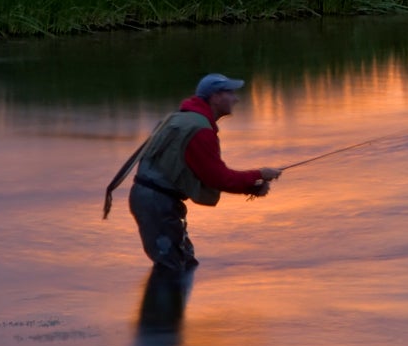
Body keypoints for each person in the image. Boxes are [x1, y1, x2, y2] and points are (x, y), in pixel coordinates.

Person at [105, 74, 284, 270]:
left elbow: (201, 172)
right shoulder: (199, 130)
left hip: (154, 200)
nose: (236, 98)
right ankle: (167, 300)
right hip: (157, 204)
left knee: (182, 265)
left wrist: (251, 187)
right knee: (175, 268)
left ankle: (170, 299)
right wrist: (259, 175)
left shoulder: (181, 118)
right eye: (230, 93)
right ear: (215, 97)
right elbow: (218, 178)